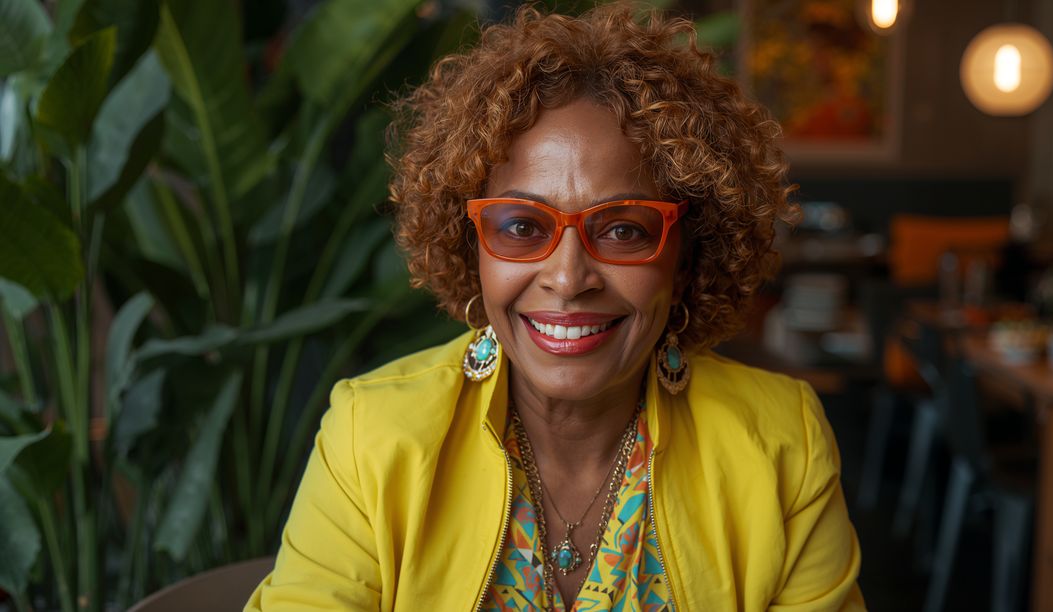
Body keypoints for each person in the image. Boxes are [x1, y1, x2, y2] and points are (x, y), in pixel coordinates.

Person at [247, 5, 864, 611]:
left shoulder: (782, 445)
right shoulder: (371, 438)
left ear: (686, 256)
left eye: (623, 230)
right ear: (471, 246)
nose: (568, 279)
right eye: (521, 226)